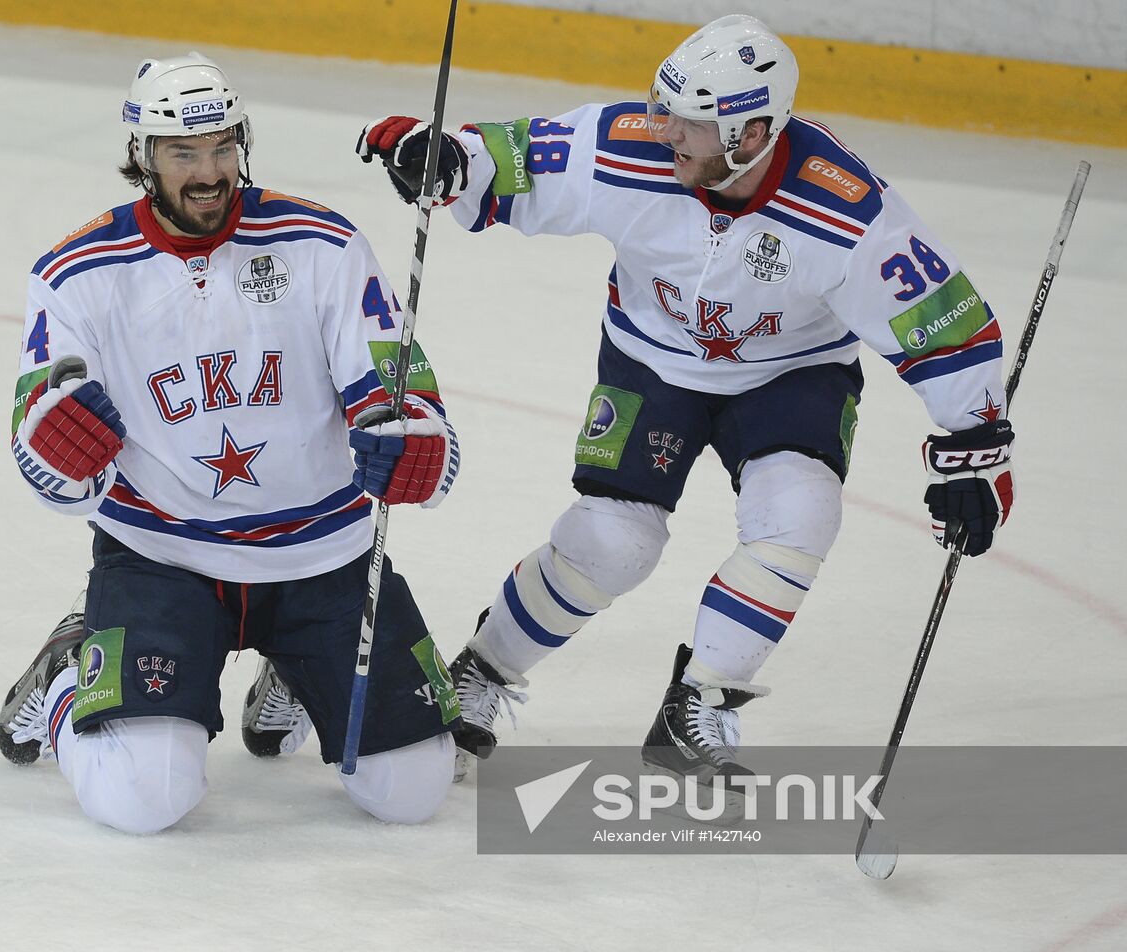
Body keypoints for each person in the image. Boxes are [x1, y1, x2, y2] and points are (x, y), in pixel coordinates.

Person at [355, 14, 1015, 783]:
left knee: (800, 512)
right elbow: (516, 157)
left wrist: (974, 450)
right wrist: (445, 158)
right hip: (650, 362)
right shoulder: (631, 146)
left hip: (792, 374)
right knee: (613, 541)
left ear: (751, 134)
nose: (666, 131)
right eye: (664, 108)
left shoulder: (846, 210)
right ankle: (482, 668)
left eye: (691, 124)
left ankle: (699, 703)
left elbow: (942, 320)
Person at [0, 52, 463, 834]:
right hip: (163, 558)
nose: (210, 172)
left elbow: (409, 400)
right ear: (143, 154)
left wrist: (416, 445)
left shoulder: (322, 244)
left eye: (222, 148)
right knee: (143, 801)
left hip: (323, 557)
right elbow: (44, 461)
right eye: (184, 154)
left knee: (412, 791)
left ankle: (300, 671)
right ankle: (69, 683)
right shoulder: (77, 273)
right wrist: (58, 455)